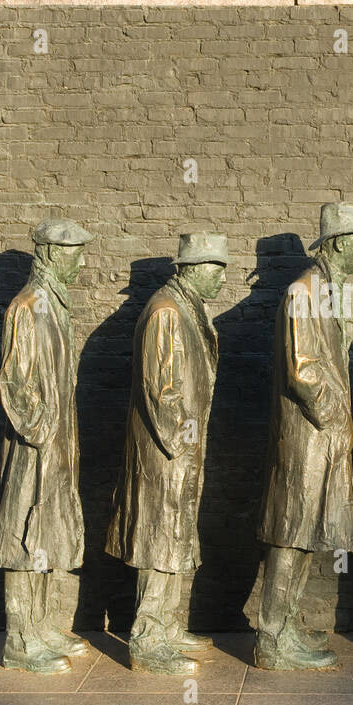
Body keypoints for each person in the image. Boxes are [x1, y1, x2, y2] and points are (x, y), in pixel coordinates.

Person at [255, 202, 353, 670]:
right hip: (307, 435)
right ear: (341, 242)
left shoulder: (324, 291)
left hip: (319, 436)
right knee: (290, 533)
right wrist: (335, 419)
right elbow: (303, 372)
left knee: (302, 534)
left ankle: (284, 628)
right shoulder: (304, 292)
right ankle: (271, 638)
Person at [106, 233, 227, 674]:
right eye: (216, 270)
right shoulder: (166, 312)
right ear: (193, 270)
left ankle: (169, 626)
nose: (222, 279)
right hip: (166, 452)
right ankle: (147, 638)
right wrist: (183, 444)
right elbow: (163, 390)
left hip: (181, 452)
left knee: (176, 536)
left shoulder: (185, 308)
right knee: (160, 537)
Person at [0, 217, 93, 674]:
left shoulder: (54, 305)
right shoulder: (27, 306)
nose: (83, 262)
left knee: (48, 532)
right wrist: (42, 431)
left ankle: (43, 627)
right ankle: (20, 641)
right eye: (75, 252)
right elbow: (14, 382)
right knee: (25, 536)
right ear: (49, 254)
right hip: (36, 449)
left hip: (56, 447)